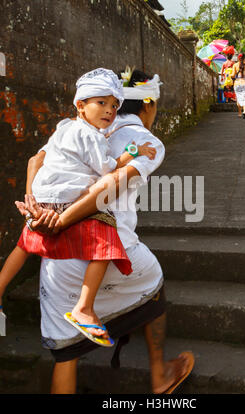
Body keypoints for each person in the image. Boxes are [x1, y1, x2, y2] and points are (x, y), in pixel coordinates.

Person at [12, 68, 195, 394]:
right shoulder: (146, 141)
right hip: (107, 247)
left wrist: (37, 212)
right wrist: (66, 217)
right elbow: (111, 183)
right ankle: (160, 375)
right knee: (153, 282)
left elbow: (33, 163)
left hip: (57, 255)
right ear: (148, 105)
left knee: (66, 354)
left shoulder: (72, 127)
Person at [0, 68, 157, 346]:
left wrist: (31, 199)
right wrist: (135, 152)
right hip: (65, 201)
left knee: (24, 246)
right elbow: (108, 169)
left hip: (41, 197)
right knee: (108, 241)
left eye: (113, 105)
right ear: (80, 105)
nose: (109, 110)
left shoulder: (63, 127)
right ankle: (84, 307)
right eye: (101, 103)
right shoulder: (93, 137)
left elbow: (35, 161)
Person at [231, 53, 245, 119]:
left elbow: (233, 75)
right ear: (244, 58)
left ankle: (239, 113)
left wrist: (230, 75)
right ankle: (244, 112)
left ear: (238, 58)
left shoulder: (235, 65)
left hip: (237, 83)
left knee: (239, 98)